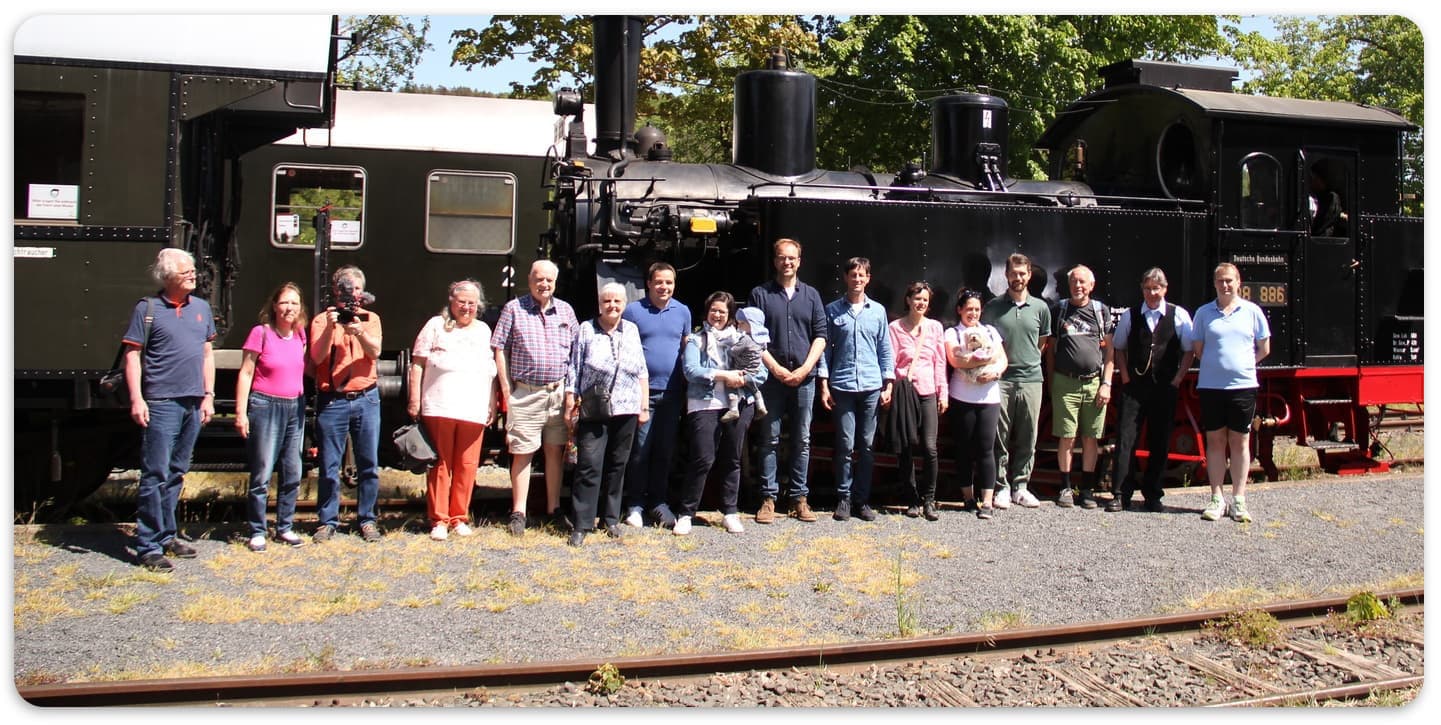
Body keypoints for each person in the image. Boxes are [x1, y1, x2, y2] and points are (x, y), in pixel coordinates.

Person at [123, 248, 216, 570]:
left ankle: (166, 535)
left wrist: (208, 395)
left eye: (192, 270)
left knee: (177, 472)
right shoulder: (147, 309)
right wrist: (137, 398)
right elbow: (133, 356)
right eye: (185, 271)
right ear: (167, 277)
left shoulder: (202, 308)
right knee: (156, 474)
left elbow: (207, 354)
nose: (193, 275)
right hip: (161, 402)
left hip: (193, 401)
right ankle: (148, 545)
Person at [492, 259, 579, 536]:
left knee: (555, 451)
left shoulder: (566, 310)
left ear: (555, 283)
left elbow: (576, 354)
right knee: (522, 453)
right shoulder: (513, 309)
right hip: (526, 393)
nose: (544, 284)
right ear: (530, 281)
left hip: (557, 393)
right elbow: (500, 349)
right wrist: (507, 390)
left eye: (549, 280)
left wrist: (571, 392)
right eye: (539, 279)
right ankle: (518, 511)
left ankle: (554, 508)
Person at [407, 279, 498, 541]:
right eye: (462, 302)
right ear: (452, 302)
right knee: (440, 464)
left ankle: (459, 517)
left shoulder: (483, 330)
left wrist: (491, 402)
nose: (467, 307)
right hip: (440, 405)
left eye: (472, 303)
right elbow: (418, 364)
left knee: (467, 465)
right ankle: (439, 519)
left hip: (473, 407)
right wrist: (414, 399)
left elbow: (490, 370)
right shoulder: (435, 325)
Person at [749, 238, 828, 523]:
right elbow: (753, 337)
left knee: (802, 439)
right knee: (768, 439)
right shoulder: (760, 294)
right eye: (782, 257)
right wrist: (776, 369)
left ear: (799, 261)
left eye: (792, 258)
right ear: (775, 261)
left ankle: (799, 498)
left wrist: (806, 368)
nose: (787, 262)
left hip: (804, 379)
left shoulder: (812, 295)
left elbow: (821, 335)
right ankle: (768, 498)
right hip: (772, 379)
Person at [564, 283, 648, 546]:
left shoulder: (631, 330)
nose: (612, 306)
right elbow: (575, 367)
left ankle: (610, 519)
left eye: (617, 301)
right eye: (607, 301)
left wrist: (644, 406)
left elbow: (641, 370)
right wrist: (570, 399)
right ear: (599, 304)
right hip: (594, 406)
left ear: (624, 304)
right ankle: (582, 523)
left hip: (627, 406)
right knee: (589, 464)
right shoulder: (586, 329)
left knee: (618, 464)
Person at [676, 291, 765, 536]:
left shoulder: (742, 338)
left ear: (730, 316)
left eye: (722, 312)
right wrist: (724, 375)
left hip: (739, 403)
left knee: (732, 458)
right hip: (705, 402)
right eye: (713, 310)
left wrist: (743, 379)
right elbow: (691, 370)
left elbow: (761, 372)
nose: (717, 315)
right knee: (703, 457)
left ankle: (730, 512)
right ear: (707, 312)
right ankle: (686, 513)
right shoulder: (696, 340)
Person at [1107, 268, 1195, 513]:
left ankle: (1153, 495)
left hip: (1164, 387)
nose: (1152, 293)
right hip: (1134, 387)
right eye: (1147, 288)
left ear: (1164, 289)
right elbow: (1119, 347)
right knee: (1126, 440)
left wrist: (1178, 379)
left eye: (1156, 288)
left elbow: (1189, 350)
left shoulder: (1179, 315)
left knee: (1160, 440)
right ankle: (1120, 494)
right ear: (1142, 289)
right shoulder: (1130, 315)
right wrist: (1125, 377)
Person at [309, 265, 384, 543]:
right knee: (329, 465)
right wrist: (332, 327)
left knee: (369, 464)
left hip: (366, 398)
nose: (351, 294)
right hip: (333, 400)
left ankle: (368, 520)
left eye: (356, 289)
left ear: (362, 292)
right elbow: (317, 358)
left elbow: (375, 351)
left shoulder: (370, 318)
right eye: (345, 289)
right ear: (336, 291)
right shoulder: (322, 320)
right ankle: (327, 521)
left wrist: (359, 331)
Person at [1191, 262, 1271, 523]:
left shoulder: (1252, 311)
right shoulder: (1203, 313)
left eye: (1229, 280)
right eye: (1220, 281)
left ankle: (1239, 499)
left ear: (1238, 282)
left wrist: (1243, 365)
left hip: (1243, 386)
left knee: (1240, 442)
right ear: (1214, 284)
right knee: (1215, 441)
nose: (1225, 285)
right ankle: (1217, 499)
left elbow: (1264, 348)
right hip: (1211, 386)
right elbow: (1198, 349)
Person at [819, 257, 894, 522]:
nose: (857, 279)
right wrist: (824, 384)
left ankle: (862, 500)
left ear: (868, 279)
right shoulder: (832, 310)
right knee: (845, 444)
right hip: (843, 385)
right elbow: (825, 350)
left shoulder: (878, 311)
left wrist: (888, 383)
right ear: (846, 278)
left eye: (862, 275)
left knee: (867, 445)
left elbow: (885, 348)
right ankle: (844, 497)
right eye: (853, 275)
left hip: (871, 386)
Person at [234, 282, 308, 553]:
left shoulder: (300, 334)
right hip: (265, 405)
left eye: (294, 303)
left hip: (294, 406)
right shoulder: (261, 333)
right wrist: (240, 412)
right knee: (262, 471)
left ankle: (285, 526)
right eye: (284, 302)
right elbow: (246, 373)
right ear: (274, 305)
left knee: (293, 471)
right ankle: (257, 530)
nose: (289, 308)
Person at [980, 253, 1051, 510]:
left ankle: (1021, 485)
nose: (1017, 278)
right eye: (1013, 273)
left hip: (1031, 379)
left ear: (1029, 275)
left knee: (1028, 434)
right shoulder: (993, 308)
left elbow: (1042, 344)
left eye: (1022, 273)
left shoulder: (1041, 308)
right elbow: (985, 342)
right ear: (1006, 275)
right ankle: (1001, 486)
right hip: (1002, 380)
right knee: (1000, 435)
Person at [621, 262, 690, 529]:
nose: (664, 287)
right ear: (648, 283)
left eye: (669, 282)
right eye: (659, 282)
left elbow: (685, 350)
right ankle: (635, 504)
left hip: (672, 393)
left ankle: (659, 502)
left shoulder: (682, 311)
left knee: (664, 450)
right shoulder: (633, 311)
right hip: (642, 394)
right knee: (640, 450)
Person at [1044, 264, 1115, 509]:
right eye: (1074, 281)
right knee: (1066, 437)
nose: (1078, 286)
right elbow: (1050, 351)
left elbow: (1110, 352)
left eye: (1082, 281)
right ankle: (1065, 487)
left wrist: (1106, 383)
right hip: (1065, 381)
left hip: (1094, 383)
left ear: (1091, 285)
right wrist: (1052, 382)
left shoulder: (1101, 312)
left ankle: (1086, 489)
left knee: (1090, 438)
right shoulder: (1059, 310)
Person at [886, 281, 948, 520]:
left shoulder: (935, 328)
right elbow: (890, 362)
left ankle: (929, 499)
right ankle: (911, 498)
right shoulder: (895, 328)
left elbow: (940, 362)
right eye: (917, 298)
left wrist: (943, 393)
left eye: (925, 300)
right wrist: (888, 389)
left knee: (930, 447)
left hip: (928, 391)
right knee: (906, 447)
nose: (921, 303)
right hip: (905, 392)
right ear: (908, 300)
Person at [945, 289, 1008, 519]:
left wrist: (994, 372)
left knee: (986, 449)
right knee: (963, 449)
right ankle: (968, 498)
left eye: (977, 309)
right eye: (969, 309)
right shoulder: (952, 333)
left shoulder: (990, 331)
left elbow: (1003, 359)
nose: (973, 313)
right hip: (962, 396)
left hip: (989, 397)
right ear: (959, 310)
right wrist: (984, 358)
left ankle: (987, 501)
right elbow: (956, 360)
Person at [726, 307, 769, 422]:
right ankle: (761, 406)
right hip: (754, 371)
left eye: (742, 323)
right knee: (755, 390)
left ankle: (733, 409)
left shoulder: (746, 339)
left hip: (743, 371)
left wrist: (729, 347)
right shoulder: (762, 340)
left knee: (731, 385)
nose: (739, 325)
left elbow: (733, 351)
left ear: (752, 325)